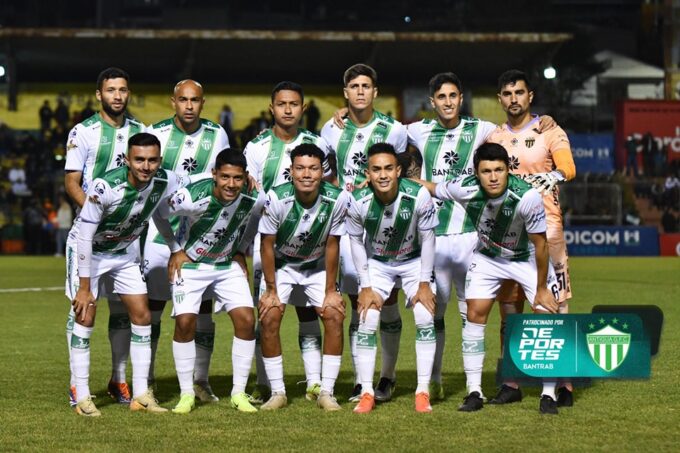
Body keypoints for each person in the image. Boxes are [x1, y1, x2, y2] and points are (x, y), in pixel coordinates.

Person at [417, 142, 561, 414]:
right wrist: (397, 180)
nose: (493, 177)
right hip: (488, 257)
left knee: (546, 315)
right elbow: (433, 188)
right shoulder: (464, 187)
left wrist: (542, 288)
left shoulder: (527, 197)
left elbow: (541, 245)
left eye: (499, 170)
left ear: (508, 170)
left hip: (526, 257)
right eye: (486, 171)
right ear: (476, 173)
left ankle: (549, 394)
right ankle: (474, 392)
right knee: (475, 313)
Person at [66, 132, 184, 416]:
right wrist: (85, 287)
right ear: (127, 160)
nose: (146, 166)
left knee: (142, 315)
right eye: (139, 160)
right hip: (90, 251)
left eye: (152, 160)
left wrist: (175, 248)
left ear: (160, 160)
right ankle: (81, 395)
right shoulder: (105, 186)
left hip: (122, 252)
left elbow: (160, 213)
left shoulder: (164, 180)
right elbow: (84, 236)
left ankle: (141, 395)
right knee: (86, 314)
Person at [406, 72, 498, 400]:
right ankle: (434, 379)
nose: (447, 102)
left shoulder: (481, 129)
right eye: (441, 97)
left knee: (471, 311)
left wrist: (542, 121)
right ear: (432, 102)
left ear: (461, 98)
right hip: (435, 238)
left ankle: (474, 386)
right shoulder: (419, 130)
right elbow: (382, 130)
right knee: (434, 312)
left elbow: (516, 132)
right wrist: (343, 115)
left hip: (472, 237)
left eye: (453, 96)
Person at [487, 69, 576, 407]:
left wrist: (555, 174)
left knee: (556, 307)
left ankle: (563, 383)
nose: (514, 99)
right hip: (509, 233)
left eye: (520, 92)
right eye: (508, 94)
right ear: (500, 99)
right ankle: (511, 382)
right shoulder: (494, 137)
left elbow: (568, 166)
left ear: (530, 96)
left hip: (548, 229)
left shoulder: (549, 130)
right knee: (510, 310)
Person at [321, 63, 408, 402]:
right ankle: (361, 380)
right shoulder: (331, 129)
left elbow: (405, 171)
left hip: (385, 224)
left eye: (366, 86)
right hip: (348, 226)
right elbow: (326, 173)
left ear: (375, 92)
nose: (360, 91)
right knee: (358, 303)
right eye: (354, 86)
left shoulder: (394, 130)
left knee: (389, 301)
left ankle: (387, 376)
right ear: (345, 92)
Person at [243, 81, 333, 403]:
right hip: (268, 243)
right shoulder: (256, 148)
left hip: (310, 242)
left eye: (294, 104)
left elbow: (329, 186)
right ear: (272, 108)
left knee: (309, 312)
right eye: (282, 104)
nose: (288, 109)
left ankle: (314, 382)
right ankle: (264, 383)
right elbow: (250, 193)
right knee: (267, 312)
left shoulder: (317, 143)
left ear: (303, 108)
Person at [157, 148, 264, 414]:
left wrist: (241, 249)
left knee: (246, 320)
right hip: (192, 265)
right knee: (185, 322)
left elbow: (255, 218)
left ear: (245, 177)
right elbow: (159, 211)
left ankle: (238, 393)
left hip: (226, 265)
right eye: (225, 177)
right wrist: (174, 249)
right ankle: (186, 394)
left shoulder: (254, 195)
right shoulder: (191, 196)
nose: (231, 184)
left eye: (237, 178)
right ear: (214, 174)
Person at [143, 79, 230, 402]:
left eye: (195, 100)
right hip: (159, 233)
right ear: (173, 102)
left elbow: (224, 181)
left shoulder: (217, 135)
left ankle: (201, 380)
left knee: (203, 308)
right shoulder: (156, 133)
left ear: (202, 103)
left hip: (201, 234)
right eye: (183, 100)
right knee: (154, 306)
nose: (189, 106)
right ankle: (147, 378)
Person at [63, 67, 145, 406]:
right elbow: (71, 182)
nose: (117, 96)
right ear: (99, 94)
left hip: (125, 242)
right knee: (83, 310)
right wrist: (94, 215)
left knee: (124, 312)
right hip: (90, 240)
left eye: (122, 90)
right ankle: (76, 386)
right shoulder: (83, 131)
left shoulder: (141, 131)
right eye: (111, 90)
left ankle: (119, 380)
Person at [346, 142, 438, 413]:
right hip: (379, 262)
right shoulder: (358, 200)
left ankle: (422, 391)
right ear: (368, 173)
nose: (383, 175)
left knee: (424, 314)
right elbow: (355, 242)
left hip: (414, 261)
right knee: (367, 316)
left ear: (398, 170)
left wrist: (424, 284)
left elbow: (429, 239)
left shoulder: (419, 195)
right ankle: (366, 392)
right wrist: (365, 286)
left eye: (388, 168)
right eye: (376, 170)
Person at [258, 144, 348, 411]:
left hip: (317, 265)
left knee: (334, 315)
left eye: (313, 168)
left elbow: (333, 245)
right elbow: (266, 245)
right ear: (291, 171)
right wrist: (271, 290)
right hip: (282, 265)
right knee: (269, 316)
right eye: (300, 168)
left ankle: (327, 392)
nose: (306, 174)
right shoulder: (276, 197)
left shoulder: (338, 198)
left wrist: (331, 291)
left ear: (322, 172)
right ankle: (278, 392)